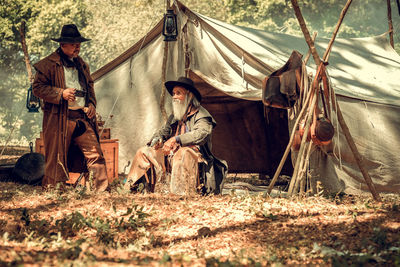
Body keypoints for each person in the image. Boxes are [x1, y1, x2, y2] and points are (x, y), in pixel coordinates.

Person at [33, 24, 108, 191]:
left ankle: (101, 191)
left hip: (82, 117)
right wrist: (61, 93)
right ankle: (54, 191)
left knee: (95, 154)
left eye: (79, 44)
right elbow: (37, 88)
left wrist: (91, 104)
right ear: (62, 45)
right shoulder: (48, 64)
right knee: (57, 157)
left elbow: (90, 86)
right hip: (60, 118)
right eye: (73, 44)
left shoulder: (82, 64)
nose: (77, 47)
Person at [125, 77, 228, 195]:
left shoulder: (202, 115)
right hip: (171, 157)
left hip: (195, 161)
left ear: (190, 96)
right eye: (173, 93)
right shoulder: (175, 116)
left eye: (178, 93)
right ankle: (134, 190)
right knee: (143, 152)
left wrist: (176, 139)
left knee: (183, 152)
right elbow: (163, 131)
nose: (174, 97)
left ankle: (180, 194)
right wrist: (157, 140)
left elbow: (201, 134)